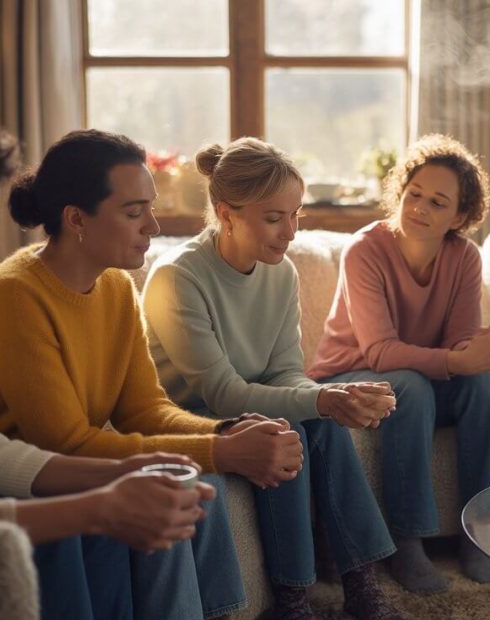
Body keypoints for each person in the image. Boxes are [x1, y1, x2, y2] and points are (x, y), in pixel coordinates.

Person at [0, 127, 305, 619]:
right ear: (76, 219)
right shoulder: (16, 295)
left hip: (72, 465)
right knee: (181, 480)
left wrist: (227, 429)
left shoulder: (116, 286)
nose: (154, 227)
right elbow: (65, 443)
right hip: (17, 475)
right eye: (135, 212)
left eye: (150, 209)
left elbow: (145, 408)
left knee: (196, 483)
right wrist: (219, 450)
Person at [0, 89, 216, 619]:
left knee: (130, 503)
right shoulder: (14, 292)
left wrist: (127, 472)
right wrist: (93, 506)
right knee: (78, 528)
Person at [141, 137, 401, 620]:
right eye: (274, 218)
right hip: (195, 419)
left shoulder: (280, 273)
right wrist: (321, 402)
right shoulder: (178, 277)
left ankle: (361, 584)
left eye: (296, 215)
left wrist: (333, 396)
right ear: (227, 213)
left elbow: (285, 372)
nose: (291, 232)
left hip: (249, 404)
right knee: (289, 425)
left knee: (318, 422)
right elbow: (221, 393)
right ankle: (293, 599)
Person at [308, 134, 490, 593]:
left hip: (416, 375)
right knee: (411, 386)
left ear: (459, 216)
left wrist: (481, 354)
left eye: (438, 202)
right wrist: (461, 359)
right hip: (349, 375)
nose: (419, 207)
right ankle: (407, 543)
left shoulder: (464, 257)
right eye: (414, 194)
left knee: (487, 387)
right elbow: (379, 351)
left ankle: (477, 534)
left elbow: (459, 343)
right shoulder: (365, 250)